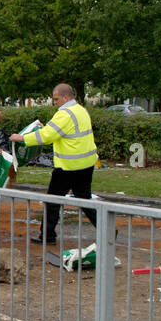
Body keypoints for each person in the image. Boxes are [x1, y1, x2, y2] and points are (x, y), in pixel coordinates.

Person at [11, 83, 98, 244]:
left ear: (66, 97)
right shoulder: (80, 110)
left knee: (52, 201)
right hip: (86, 164)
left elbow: (47, 136)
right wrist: (47, 129)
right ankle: (107, 230)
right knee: (84, 200)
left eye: (56, 99)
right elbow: (62, 132)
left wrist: (22, 138)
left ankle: (48, 236)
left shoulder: (64, 114)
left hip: (68, 167)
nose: (54, 102)